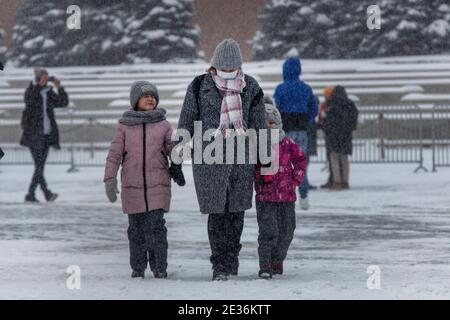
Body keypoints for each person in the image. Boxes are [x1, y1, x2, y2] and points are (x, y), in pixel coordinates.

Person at [177, 39, 267, 281]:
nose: (228, 73)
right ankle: (219, 265)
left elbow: (259, 127)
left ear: (239, 65)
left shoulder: (251, 87)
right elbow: (186, 120)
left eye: (232, 68)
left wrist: (267, 159)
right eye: (223, 68)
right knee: (217, 215)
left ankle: (231, 259)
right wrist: (177, 153)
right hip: (209, 161)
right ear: (214, 66)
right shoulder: (198, 86)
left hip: (241, 160)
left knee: (236, 214)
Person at [104, 81, 185, 279]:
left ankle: (159, 267)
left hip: (158, 184)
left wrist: (178, 151)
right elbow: (114, 154)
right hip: (133, 187)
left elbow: (170, 148)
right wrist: (109, 178)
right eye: (145, 95)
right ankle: (138, 267)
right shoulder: (124, 126)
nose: (150, 98)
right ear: (135, 101)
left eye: (153, 95)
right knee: (136, 230)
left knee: (157, 228)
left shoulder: (163, 124)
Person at [255, 98, 306, 279]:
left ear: (278, 123)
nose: (269, 127)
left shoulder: (288, 144)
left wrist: (294, 181)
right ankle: (265, 265)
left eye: (272, 123)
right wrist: (258, 178)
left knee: (286, 231)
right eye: (265, 124)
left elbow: (300, 161)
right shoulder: (257, 146)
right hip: (266, 197)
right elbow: (251, 168)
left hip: (286, 196)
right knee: (268, 231)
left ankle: (278, 258)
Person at [273, 56, 318, 210]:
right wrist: (306, 120)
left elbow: (276, 109)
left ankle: (286, 194)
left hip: (285, 130)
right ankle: (303, 195)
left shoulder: (280, 89)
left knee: (284, 163)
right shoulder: (306, 88)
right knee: (300, 163)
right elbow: (314, 108)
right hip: (302, 130)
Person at [20, 67, 69, 203]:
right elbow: (29, 101)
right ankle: (43, 193)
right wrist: (39, 86)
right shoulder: (31, 90)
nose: (45, 80)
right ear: (37, 78)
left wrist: (59, 88)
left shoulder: (48, 92)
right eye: (43, 77)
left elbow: (63, 102)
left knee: (39, 167)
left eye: (47, 78)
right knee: (39, 167)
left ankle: (32, 194)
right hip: (33, 135)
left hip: (47, 135)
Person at [321, 86, 359, 190]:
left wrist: (326, 128)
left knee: (334, 158)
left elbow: (327, 121)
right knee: (344, 159)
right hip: (346, 136)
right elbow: (354, 120)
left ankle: (337, 182)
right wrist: (349, 128)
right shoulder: (350, 104)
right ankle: (345, 181)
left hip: (334, 136)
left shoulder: (332, 105)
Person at [317, 86, 334, 189]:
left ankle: (332, 179)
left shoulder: (326, 105)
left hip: (329, 133)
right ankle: (332, 178)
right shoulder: (330, 104)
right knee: (332, 157)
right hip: (332, 133)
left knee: (331, 157)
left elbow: (320, 118)